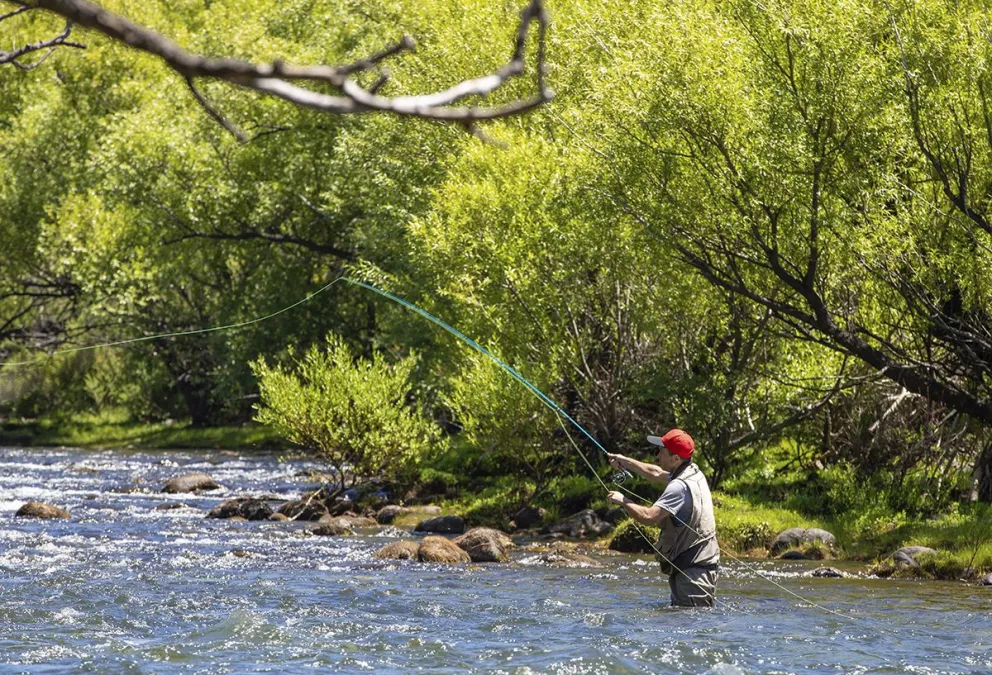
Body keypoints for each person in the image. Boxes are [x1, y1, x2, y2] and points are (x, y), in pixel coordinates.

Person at [606, 429, 720, 607]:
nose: (657, 455)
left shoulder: (679, 487)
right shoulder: (693, 472)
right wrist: (625, 462)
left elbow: (649, 517)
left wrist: (623, 501)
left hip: (692, 573)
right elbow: (655, 472)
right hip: (697, 567)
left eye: (662, 451)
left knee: (692, 627)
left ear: (676, 459)